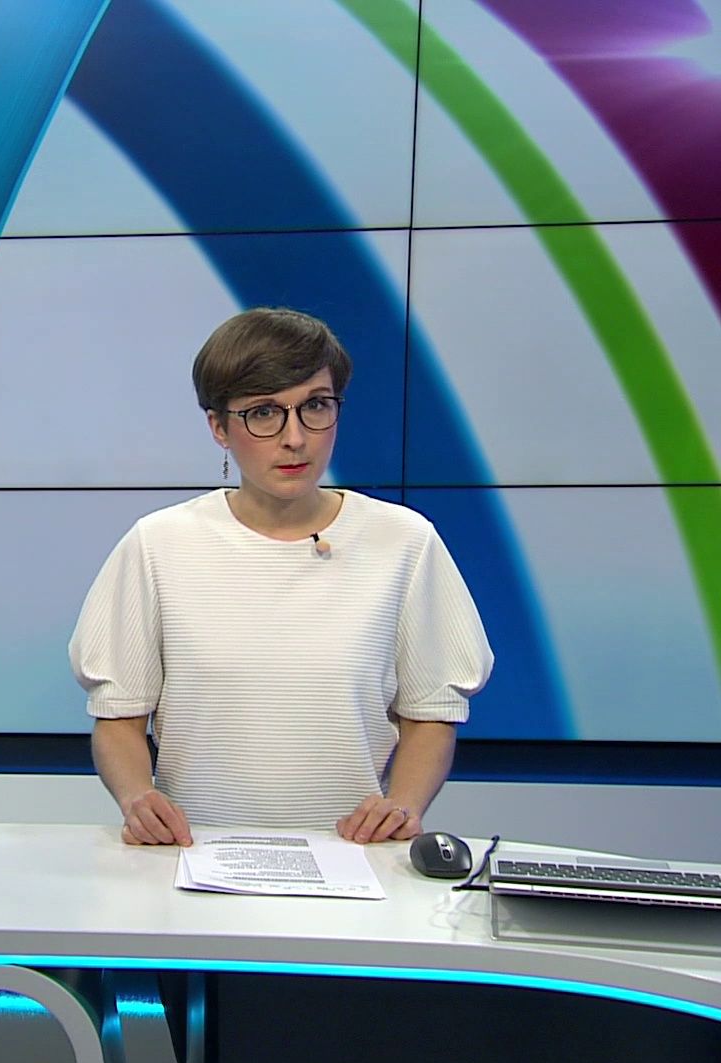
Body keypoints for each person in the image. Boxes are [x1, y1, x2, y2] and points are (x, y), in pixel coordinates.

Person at [68, 307, 493, 846]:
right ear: (219, 427)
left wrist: (401, 807)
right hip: (191, 856)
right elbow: (118, 718)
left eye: (315, 406)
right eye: (264, 413)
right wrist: (138, 800)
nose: (295, 437)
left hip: (353, 858)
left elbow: (431, 712)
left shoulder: (404, 542)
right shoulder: (158, 545)